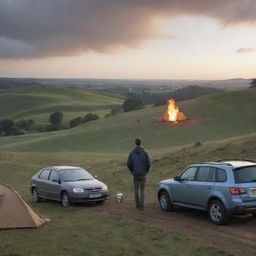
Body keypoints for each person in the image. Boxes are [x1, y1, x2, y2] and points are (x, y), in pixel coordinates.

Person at [127, 138, 151, 211]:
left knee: (136, 190)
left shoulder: (131, 153)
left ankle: (137, 205)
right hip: (143, 174)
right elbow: (148, 163)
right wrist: (146, 171)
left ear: (135, 143)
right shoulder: (145, 153)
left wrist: (132, 171)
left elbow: (128, 164)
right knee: (142, 190)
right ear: (141, 143)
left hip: (135, 174)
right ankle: (142, 206)